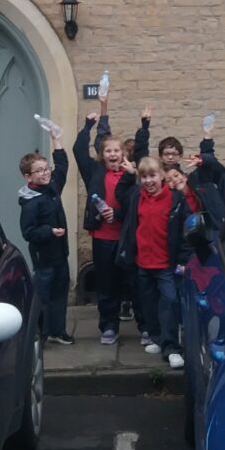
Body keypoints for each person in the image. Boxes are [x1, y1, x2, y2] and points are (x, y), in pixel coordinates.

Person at [74, 106, 150, 344]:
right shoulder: (95, 172)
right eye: (108, 150)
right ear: (102, 154)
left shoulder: (133, 174)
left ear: (123, 154)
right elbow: (78, 150)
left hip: (127, 237)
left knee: (134, 283)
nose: (113, 154)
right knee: (106, 284)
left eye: (117, 150)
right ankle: (109, 326)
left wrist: (144, 126)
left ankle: (145, 326)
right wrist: (88, 126)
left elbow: (143, 151)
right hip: (103, 239)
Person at [115, 156, 190, 369]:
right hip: (143, 262)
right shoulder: (137, 197)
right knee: (148, 304)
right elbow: (120, 196)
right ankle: (157, 338)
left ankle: (172, 348)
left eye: (153, 176)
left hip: (166, 263)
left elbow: (186, 231)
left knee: (169, 303)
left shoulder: (175, 199)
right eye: (144, 176)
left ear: (162, 176)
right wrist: (129, 175)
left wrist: (184, 259)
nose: (148, 181)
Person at [18, 131, 74, 345]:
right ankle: (38, 334)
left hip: (60, 253)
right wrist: (49, 232)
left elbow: (62, 167)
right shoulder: (31, 203)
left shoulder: (51, 188)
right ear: (28, 177)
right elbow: (28, 232)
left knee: (60, 292)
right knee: (42, 296)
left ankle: (57, 331)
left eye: (45, 169)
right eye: (38, 171)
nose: (45, 173)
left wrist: (57, 140)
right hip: (44, 258)